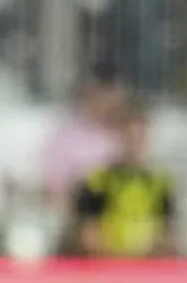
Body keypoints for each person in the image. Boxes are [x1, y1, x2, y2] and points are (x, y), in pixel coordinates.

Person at [72, 102, 180, 258]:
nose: (134, 145)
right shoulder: (98, 182)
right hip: (106, 268)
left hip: (147, 269)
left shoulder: (161, 183)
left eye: (139, 138)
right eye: (129, 137)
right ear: (118, 138)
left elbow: (168, 236)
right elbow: (88, 235)